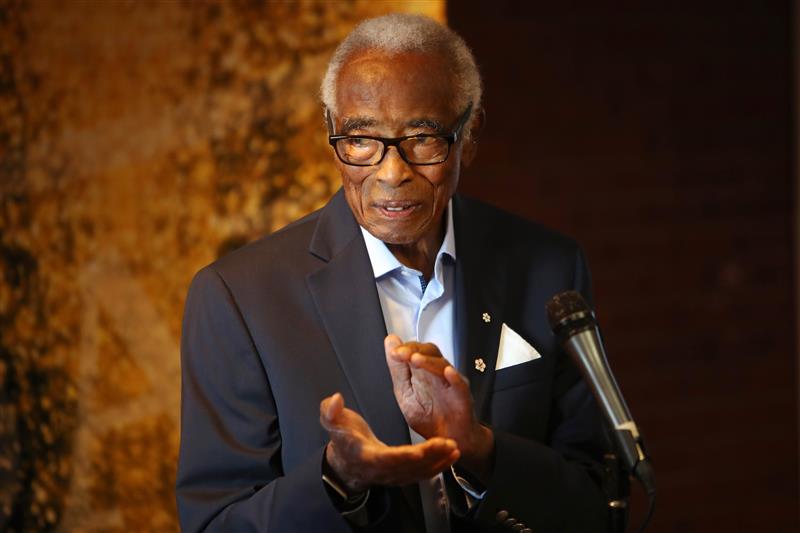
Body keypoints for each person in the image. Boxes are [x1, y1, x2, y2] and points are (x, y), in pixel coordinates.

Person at [176, 13, 610, 533]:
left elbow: (598, 503)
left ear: (469, 134)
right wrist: (337, 479)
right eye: (360, 140)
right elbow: (216, 524)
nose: (391, 172)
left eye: (422, 138)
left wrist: (480, 450)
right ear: (330, 132)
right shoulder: (238, 298)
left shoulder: (549, 267)